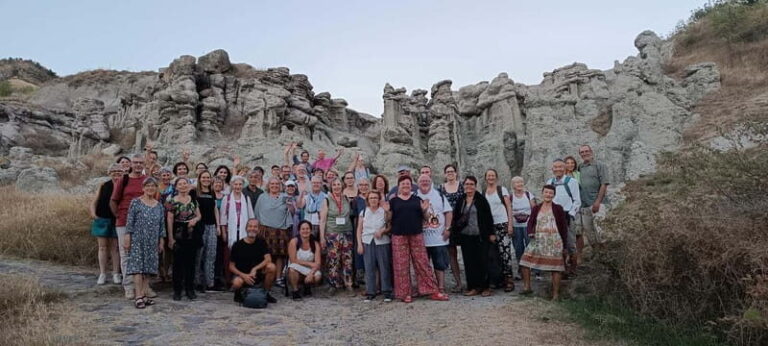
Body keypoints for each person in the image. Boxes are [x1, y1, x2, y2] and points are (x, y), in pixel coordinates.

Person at [389, 176, 449, 303]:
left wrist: (425, 209)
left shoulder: (417, 199)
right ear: (399, 186)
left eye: (408, 184)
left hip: (416, 234)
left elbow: (427, 218)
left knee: (422, 263)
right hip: (399, 235)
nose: (406, 185)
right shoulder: (393, 201)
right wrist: (386, 211)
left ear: (411, 186)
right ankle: (405, 293)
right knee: (401, 265)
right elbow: (388, 219)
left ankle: (431, 290)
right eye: (403, 183)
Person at [520, 185, 569, 300]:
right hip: (538, 240)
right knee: (524, 262)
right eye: (546, 192)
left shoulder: (558, 208)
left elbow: (563, 227)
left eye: (551, 193)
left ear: (554, 195)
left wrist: (565, 245)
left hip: (554, 241)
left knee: (556, 267)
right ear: (542, 193)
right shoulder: (536, 208)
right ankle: (527, 288)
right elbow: (530, 222)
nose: (548, 195)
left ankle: (555, 295)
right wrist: (530, 232)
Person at [123, 177, 165, 309]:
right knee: (137, 268)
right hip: (138, 239)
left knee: (148, 268)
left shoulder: (159, 206)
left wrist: (161, 241)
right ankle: (138, 296)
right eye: (147, 186)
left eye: (153, 186)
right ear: (143, 188)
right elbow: (130, 221)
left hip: (152, 241)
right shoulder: (136, 202)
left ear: (156, 188)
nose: (150, 188)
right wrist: (127, 237)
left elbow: (161, 225)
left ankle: (144, 294)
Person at [110, 154, 148, 299]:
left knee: (141, 254)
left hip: (143, 222)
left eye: (141, 163)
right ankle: (128, 286)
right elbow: (113, 200)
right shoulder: (123, 180)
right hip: (124, 221)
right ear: (131, 164)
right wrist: (119, 216)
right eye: (136, 162)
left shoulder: (146, 180)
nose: (138, 165)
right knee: (125, 254)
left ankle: (143, 286)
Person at [452, 176, 495, 297]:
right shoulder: (461, 200)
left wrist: (491, 233)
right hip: (466, 236)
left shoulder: (481, 199)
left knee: (483, 261)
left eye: (471, 184)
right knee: (469, 262)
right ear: (463, 186)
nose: (469, 186)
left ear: (475, 186)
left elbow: (488, 217)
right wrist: (455, 234)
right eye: (466, 184)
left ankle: (485, 287)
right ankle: (473, 287)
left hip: (480, 235)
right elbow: (456, 218)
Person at [253, 177, 294, 288]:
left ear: (280, 186)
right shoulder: (262, 197)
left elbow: (291, 213)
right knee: (265, 255)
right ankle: (265, 277)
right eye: (272, 184)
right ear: (268, 185)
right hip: (265, 229)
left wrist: (290, 206)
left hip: (281, 230)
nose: (274, 186)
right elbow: (256, 212)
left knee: (280, 255)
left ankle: (278, 278)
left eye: (277, 184)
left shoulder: (284, 197)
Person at [165, 177, 202, 301]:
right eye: (180, 184)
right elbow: (169, 219)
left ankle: (189, 289)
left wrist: (195, 220)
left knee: (191, 262)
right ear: (176, 187)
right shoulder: (171, 200)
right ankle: (177, 290)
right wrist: (170, 238)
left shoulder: (193, 199)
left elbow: (199, 215)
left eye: (185, 183)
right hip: (178, 231)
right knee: (178, 263)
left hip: (191, 231)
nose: (183, 186)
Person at [416, 174, 453, 294]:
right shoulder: (414, 196)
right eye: (422, 181)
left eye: (427, 180)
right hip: (420, 238)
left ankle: (441, 287)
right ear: (418, 183)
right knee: (422, 266)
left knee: (439, 264)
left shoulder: (438, 194)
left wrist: (448, 228)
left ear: (431, 181)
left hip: (438, 237)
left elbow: (448, 212)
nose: (425, 182)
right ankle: (426, 288)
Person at [319, 179, 355, 296]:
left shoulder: (346, 199)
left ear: (342, 186)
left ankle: (348, 283)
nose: (336, 187)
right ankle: (333, 284)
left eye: (338, 184)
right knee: (333, 259)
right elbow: (322, 220)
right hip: (332, 233)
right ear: (331, 186)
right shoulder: (327, 200)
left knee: (347, 259)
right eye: (334, 185)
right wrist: (322, 237)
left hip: (346, 232)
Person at [483, 169, 517, 292]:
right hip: (491, 226)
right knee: (493, 254)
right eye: (488, 176)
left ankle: (509, 280)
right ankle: (497, 279)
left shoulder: (501, 190)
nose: (490, 177)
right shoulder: (484, 192)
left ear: (496, 177)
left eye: (492, 175)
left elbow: (508, 206)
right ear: (485, 178)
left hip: (502, 224)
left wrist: (510, 225)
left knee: (505, 253)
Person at [356, 190, 393, 302]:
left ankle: (386, 291)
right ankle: (370, 292)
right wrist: (359, 244)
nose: (373, 200)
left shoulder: (383, 211)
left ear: (379, 199)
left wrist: (382, 231)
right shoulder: (363, 212)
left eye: (375, 198)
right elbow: (359, 229)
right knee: (369, 267)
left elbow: (389, 226)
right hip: (367, 241)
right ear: (368, 200)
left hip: (382, 241)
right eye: (371, 198)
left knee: (384, 266)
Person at [230, 219, 278, 304]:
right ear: (246, 228)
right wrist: (244, 276)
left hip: (257, 274)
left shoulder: (261, 242)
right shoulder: (237, 245)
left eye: (255, 227)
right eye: (250, 226)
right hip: (242, 275)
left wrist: (255, 269)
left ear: (258, 229)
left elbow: (268, 259)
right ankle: (238, 294)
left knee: (271, 267)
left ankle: (266, 293)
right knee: (237, 282)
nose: (252, 228)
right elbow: (231, 266)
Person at [90, 164, 123, 285]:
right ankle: (103, 273)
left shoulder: (124, 185)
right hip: (102, 218)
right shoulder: (104, 185)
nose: (116, 173)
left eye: (119, 171)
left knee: (116, 248)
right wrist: (93, 213)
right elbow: (95, 201)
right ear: (109, 173)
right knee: (102, 247)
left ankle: (116, 273)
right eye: (113, 171)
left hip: (117, 219)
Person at [547, 159, 581, 275]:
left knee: (570, 243)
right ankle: (562, 267)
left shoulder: (571, 181)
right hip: (553, 216)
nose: (558, 169)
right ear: (552, 169)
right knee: (557, 243)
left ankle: (573, 268)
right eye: (555, 167)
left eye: (560, 167)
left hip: (567, 215)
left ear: (565, 168)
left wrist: (571, 215)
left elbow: (577, 201)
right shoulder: (549, 182)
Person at [576, 145, 610, 254]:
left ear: (591, 152)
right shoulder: (580, 167)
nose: (585, 153)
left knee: (600, 230)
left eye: (586, 151)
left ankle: (606, 254)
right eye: (582, 152)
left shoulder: (600, 165)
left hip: (598, 204)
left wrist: (598, 202)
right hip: (584, 205)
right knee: (589, 231)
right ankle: (597, 255)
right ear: (580, 154)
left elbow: (604, 184)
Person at [437, 164, 464, 293]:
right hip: (449, 224)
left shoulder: (463, 186)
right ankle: (458, 282)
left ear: (456, 173)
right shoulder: (441, 188)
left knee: (468, 253)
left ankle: (472, 281)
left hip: (463, 224)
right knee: (452, 254)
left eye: (452, 171)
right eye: (448, 172)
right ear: (444, 174)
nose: (450, 173)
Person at [195, 171, 219, 292]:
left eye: (208, 177)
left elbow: (215, 210)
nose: (206, 179)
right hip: (200, 226)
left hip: (211, 226)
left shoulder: (212, 192)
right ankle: (197, 282)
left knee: (211, 255)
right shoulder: (195, 192)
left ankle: (210, 282)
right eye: (203, 177)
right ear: (199, 179)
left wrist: (218, 226)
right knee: (199, 255)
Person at [287, 221, 322, 301]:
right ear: (299, 231)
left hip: (308, 269)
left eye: (307, 229)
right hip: (296, 265)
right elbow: (293, 260)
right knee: (292, 269)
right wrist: (310, 263)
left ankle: (307, 286)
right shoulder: (294, 242)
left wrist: (311, 273)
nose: (305, 231)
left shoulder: (315, 244)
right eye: (303, 229)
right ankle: (295, 291)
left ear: (311, 230)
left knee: (317, 277)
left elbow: (318, 263)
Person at [510, 176, 536, 277]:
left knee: (530, 246)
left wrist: (534, 225)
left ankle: (533, 268)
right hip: (516, 225)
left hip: (528, 224)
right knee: (518, 248)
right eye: (517, 183)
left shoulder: (529, 195)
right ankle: (521, 268)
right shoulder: (511, 197)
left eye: (521, 182)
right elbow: (509, 210)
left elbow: (534, 209)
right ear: (513, 185)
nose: (520, 184)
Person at [220, 176, 255, 248]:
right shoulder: (226, 198)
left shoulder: (246, 198)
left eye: (240, 184)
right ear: (232, 185)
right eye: (236, 184)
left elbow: (251, 217)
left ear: (243, 186)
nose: (238, 186)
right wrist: (223, 233)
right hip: (230, 230)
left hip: (244, 229)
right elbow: (223, 217)